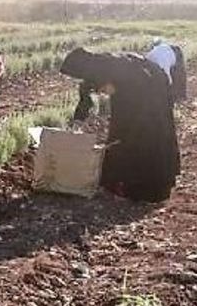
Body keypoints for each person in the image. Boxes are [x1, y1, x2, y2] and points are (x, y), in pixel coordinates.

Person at [61, 47, 180, 203]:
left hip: (149, 94)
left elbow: (121, 86)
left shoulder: (113, 65)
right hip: (133, 95)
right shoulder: (96, 68)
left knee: (142, 134)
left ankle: (145, 187)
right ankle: (118, 181)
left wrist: (109, 88)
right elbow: (86, 97)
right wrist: (78, 121)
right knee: (122, 133)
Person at [145, 38, 187, 104]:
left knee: (179, 77)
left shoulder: (160, 62)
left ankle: (180, 98)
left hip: (175, 52)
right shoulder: (149, 58)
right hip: (167, 50)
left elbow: (168, 79)